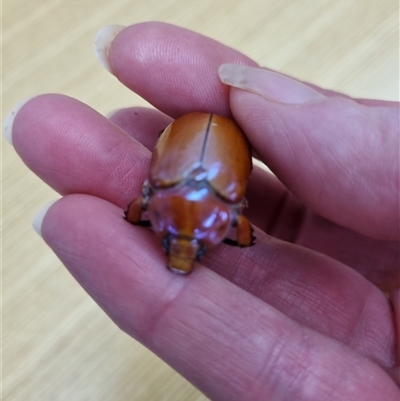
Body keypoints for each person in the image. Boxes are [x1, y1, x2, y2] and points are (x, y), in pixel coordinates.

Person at [4, 22, 399, 400]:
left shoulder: (180, 206)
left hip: (198, 150)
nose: (181, 257)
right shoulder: (196, 208)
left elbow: (155, 210)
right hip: (199, 150)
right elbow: (204, 221)